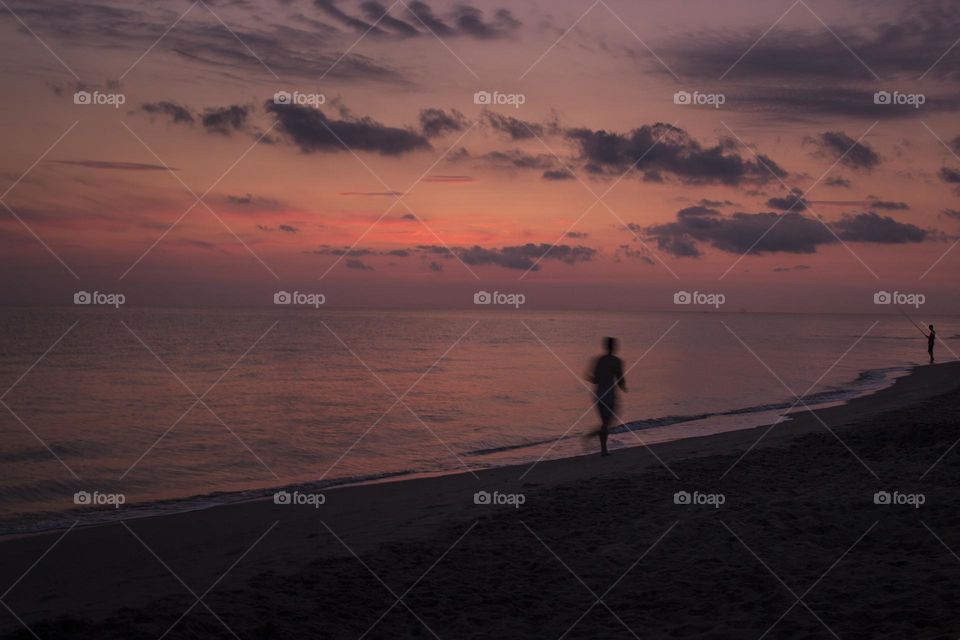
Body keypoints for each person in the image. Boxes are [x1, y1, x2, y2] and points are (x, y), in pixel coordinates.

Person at [586, 337, 627, 456]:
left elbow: (594, 379)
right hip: (609, 394)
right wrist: (624, 387)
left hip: (599, 393)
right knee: (608, 422)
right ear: (614, 347)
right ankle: (596, 440)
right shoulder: (617, 361)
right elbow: (620, 379)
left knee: (605, 422)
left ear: (605, 347)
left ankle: (603, 449)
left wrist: (596, 378)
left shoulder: (599, 360)